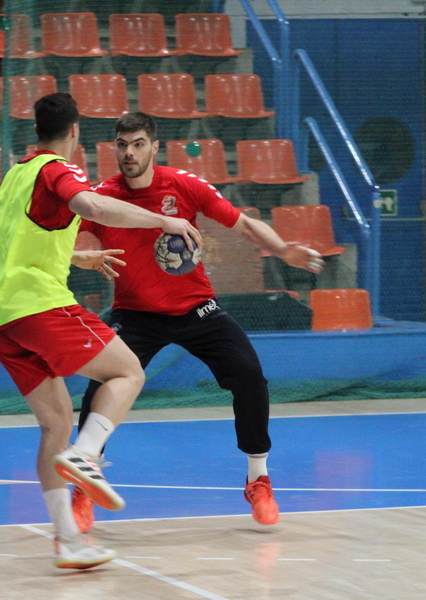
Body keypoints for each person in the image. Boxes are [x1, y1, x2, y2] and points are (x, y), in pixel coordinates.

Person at [0, 93, 202, 570]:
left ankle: (69, 542)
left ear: (36, 129)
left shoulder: (16, 175)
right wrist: (164, 218)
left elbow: (10, 242)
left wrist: (78, 256)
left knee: (54, 423)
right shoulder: (60, 169)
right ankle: (87, 452)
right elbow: (91, 205)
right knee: (128, 373)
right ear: (75, 131)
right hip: (35, 305)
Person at [71, 112, 325, 533]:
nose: (129, 153)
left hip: (196, 308)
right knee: (102, 385)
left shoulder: (183, 186)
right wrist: (80, 255)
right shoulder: (102, 198)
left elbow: (242, 223)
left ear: (154, 147)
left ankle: (257, 478)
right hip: (134, 314)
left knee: (248, 375)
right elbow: (57, 235)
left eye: (137, 144)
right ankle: (83, 482)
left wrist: (281, 249)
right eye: (121, 144)